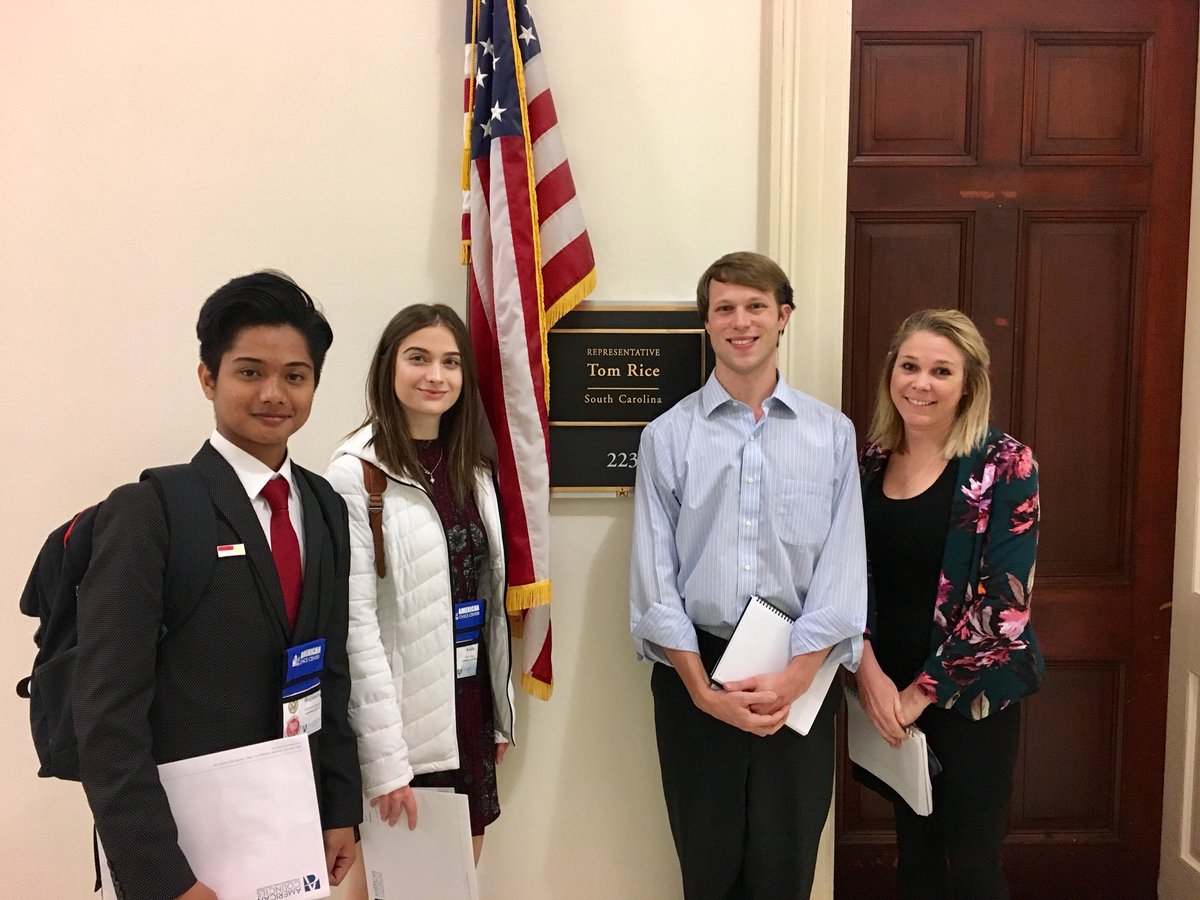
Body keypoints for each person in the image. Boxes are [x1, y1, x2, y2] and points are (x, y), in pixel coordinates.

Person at [73, 272, 362, 900]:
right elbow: (105, 713)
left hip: (290, 826)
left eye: (295, 375)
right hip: (188, 844)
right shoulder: (150, 511)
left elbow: (328, 669)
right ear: (208, 377)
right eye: (249, 371)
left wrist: (340, 808)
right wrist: (160, 878)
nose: (274, 393)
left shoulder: (324, 506)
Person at [629, 251, 867, 898]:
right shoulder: (667, 438)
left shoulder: (833, 435)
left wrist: (795, 675)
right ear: (706, 323)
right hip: (694, 677)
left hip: (799, 670)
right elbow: (655, 583)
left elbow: (843, 572)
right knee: (708, 874)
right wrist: (703, 691)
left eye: (756, 306)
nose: (742, 322)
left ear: (783, 316)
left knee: (784, 872)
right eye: (725, 308)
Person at [853, 308, 1044, 899]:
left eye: (941, 371)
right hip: (888, 692)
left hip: (968, 699)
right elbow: (846, 574)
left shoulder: (1005, 462)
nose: (921, 383)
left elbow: (1005, 608)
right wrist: (869, 671)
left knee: (973, 865)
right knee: (914, 860)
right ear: (892, 373)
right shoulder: (871, 459)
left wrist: (918, 695)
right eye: (910, 366)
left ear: (969, 384)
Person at [324, 303, 514, 872]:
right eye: (419, 358)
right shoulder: (355, 473)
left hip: (467, 705)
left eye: (450, 362)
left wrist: (499, 714)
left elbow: (490, 604)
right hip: (404, 726)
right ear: (389, 368)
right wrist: (385, 761)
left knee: (455, 879)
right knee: (396, 883)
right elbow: (355, 624)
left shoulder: (472, 471)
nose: (436, 375)